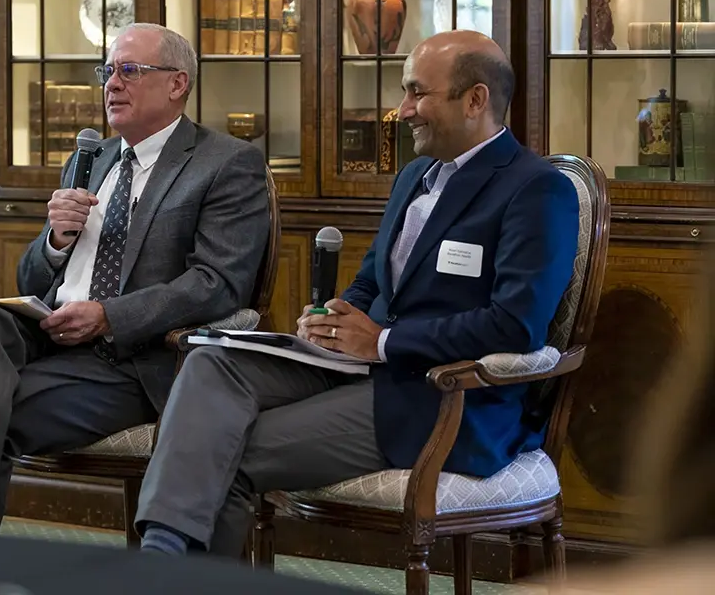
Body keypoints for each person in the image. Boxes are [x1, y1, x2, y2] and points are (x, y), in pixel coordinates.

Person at [132, 30, 581, 556]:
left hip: (441, 401)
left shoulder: (535, 188)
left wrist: (384, 342)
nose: (403, 110)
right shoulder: (415, 175)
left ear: (475, 99)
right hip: (361, 371)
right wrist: (335, 318)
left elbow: (515, 325)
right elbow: (373, 280)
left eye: (417, 93)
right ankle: (160, 562)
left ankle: (158, 566)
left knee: (215, 450)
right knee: (211, 364)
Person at [0, 23, 271, 531]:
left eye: (130, 70)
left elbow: (217, 283)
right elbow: (34, 279)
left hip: (132, 361)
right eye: (107, 71)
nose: (112, 84)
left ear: (178, 84)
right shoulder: (92, 158)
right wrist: (56, 241)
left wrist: (109, 317)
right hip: (52, 339)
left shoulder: (226, 163)